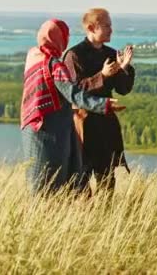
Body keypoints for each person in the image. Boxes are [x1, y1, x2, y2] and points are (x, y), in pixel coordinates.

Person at [20, 19, 123, 194]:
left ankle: (42, 216)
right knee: (57, 183)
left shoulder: (33, 56)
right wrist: (103, 105)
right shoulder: (54, 65)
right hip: (53, 132)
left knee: (37, 181)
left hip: (32, 127)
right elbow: (73, 93)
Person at [64, 8, 135, 193]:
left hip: (105, 122)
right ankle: (82, 217)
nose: (111, 29)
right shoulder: (74, 55)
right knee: (81, 177)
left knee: (107, 177)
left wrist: (124, 68)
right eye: (106, 25)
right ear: (91, 27)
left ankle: (105, 215)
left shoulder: (111, 54)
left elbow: (123, 89)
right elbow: (74, 90)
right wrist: (102, 75)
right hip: (83, 122)